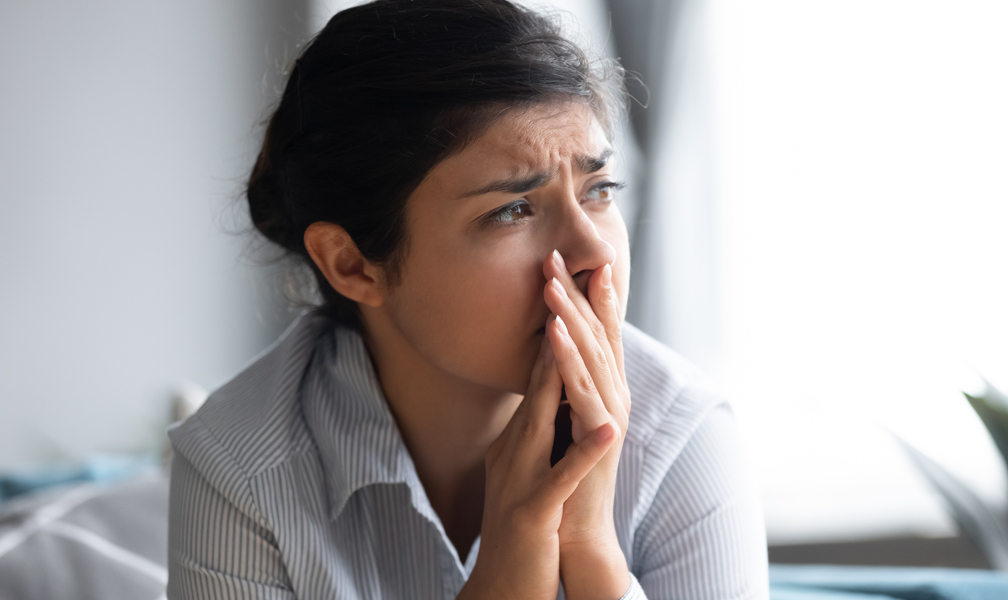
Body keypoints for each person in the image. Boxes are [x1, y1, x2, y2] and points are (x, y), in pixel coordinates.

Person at [166, 1, 768, 598]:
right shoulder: (240, 464)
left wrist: (589, 548)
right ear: (352, 264)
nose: (594, 253)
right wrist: (508, 575)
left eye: (599, 189)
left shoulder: (683, 435)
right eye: (512, 210)